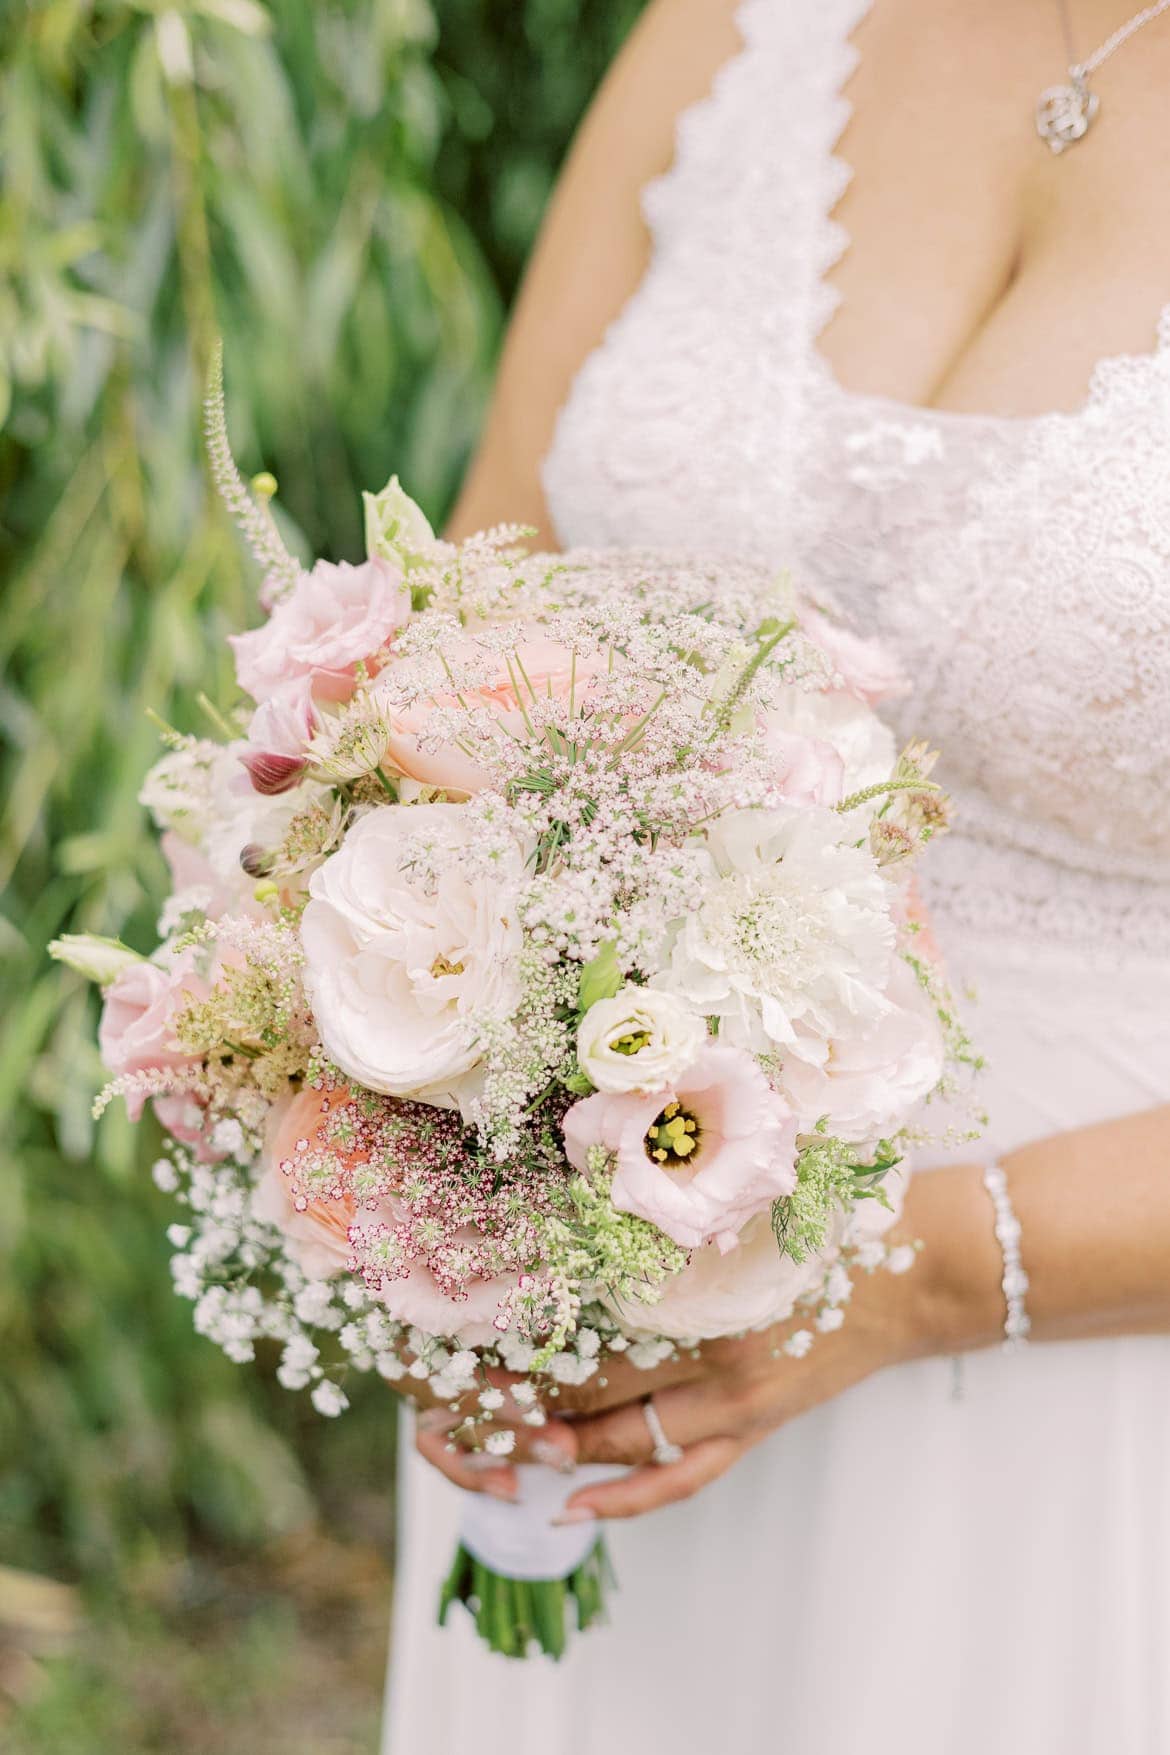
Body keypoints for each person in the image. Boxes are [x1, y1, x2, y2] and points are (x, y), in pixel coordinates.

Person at [382, 2, 1170, 1748]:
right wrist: (374, 1060)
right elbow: (474, 599)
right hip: (598, 1345)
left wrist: (918, 1272)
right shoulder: (738, 27)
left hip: (1092, 1387)